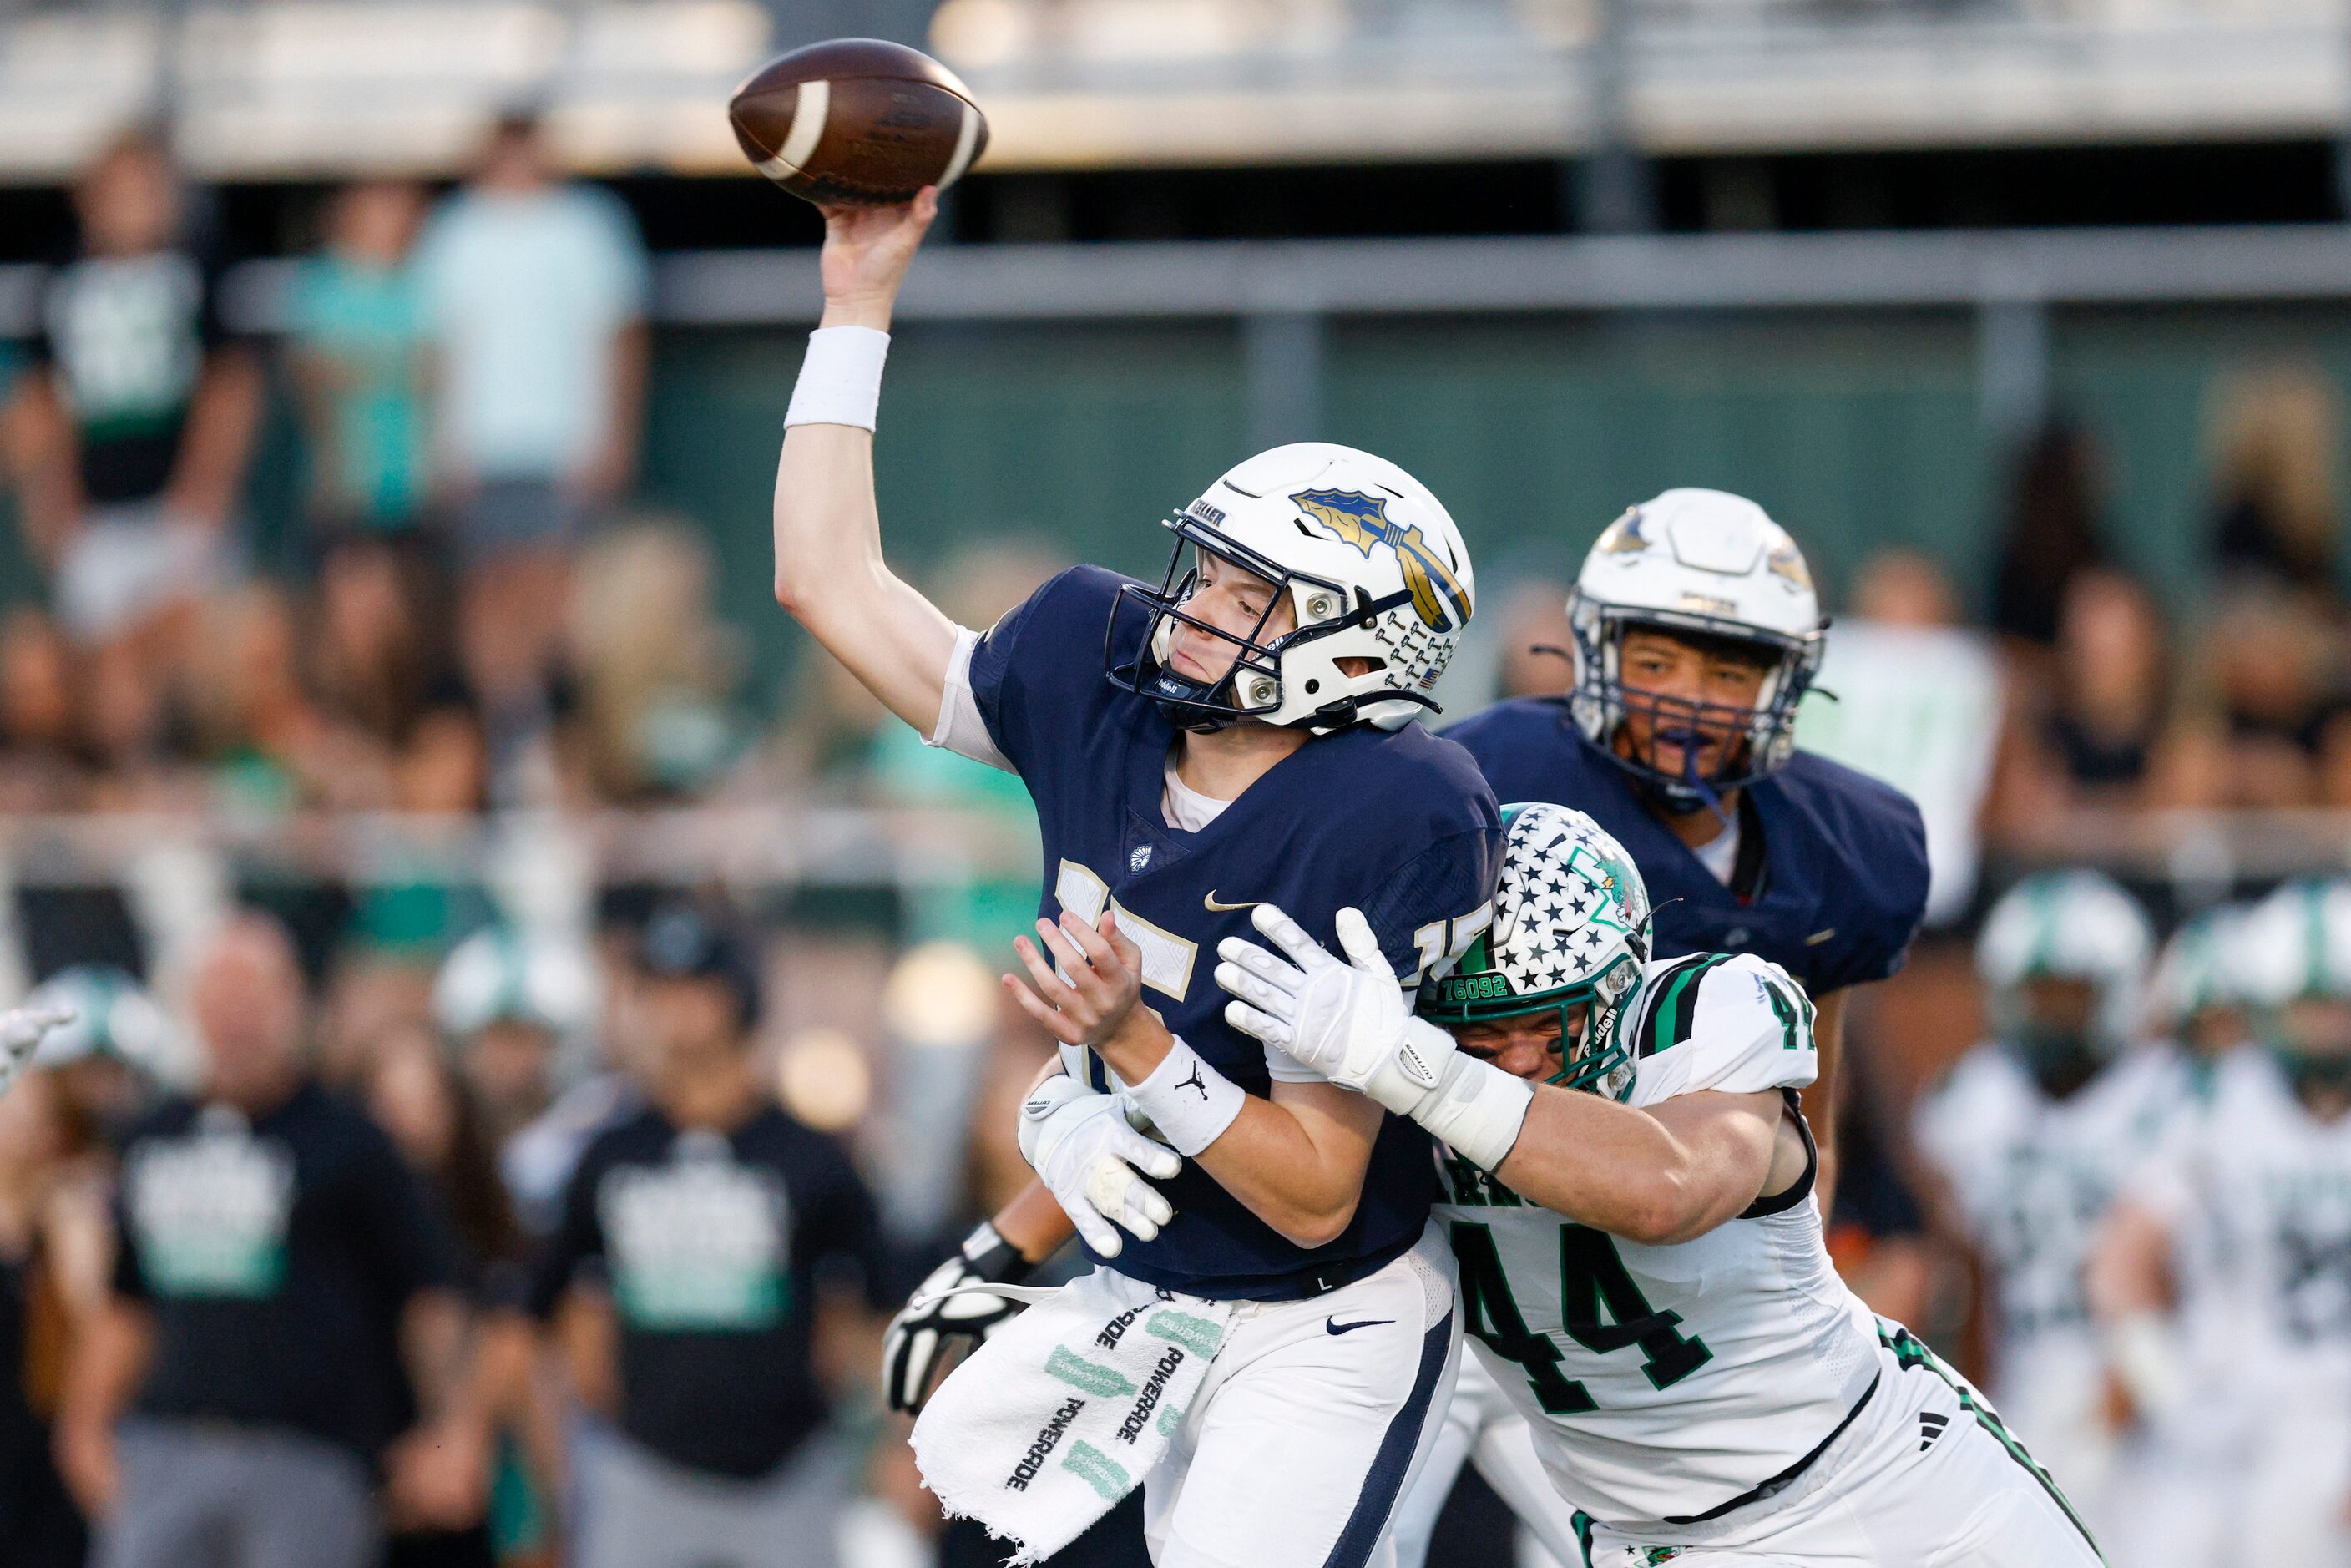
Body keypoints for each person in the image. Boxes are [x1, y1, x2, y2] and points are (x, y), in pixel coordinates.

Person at [784, 190, 1499, 1566]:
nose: (1196, 605)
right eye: (1211, 570)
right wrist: (855, 305)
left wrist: (1129, 1041)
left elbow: (1311, 1191)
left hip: (1325, 1314)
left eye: (1249, 595)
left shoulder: (1382, 815)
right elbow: (828, 582)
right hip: (1143, 1284)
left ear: (1356, 653)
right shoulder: (1100, 680)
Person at [1215, 803, 2101, 1566]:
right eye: (1483, 1034)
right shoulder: (1388, 1086)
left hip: (1887, 1485)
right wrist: (1127, 1100)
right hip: (1660, 1540)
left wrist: (1428, 1072)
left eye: (1548, 1024)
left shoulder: (1706, 1014)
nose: (1520, 1062)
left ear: (1616, 986)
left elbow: (1665, 1190)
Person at [1397, 490, 1929, 1565]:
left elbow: (1805, 1074)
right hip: (1452, 1257)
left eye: (1727, 670)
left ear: (1786, 679)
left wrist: (1801, 1244)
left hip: (1647, 1291)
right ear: (1595, 651)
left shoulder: (1846, 843)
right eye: (1659, 663)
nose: (1688, 700)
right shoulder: (1488, 779)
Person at [52, 914, 482, 1568]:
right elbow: (126, 1301)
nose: (236, 1021)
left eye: (252, 998)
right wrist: (84, 1426)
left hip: (307, 1455)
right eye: (219, 999)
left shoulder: (352, 1141)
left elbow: (428, 1295)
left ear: (293, 1005)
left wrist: (451, 1430)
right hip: (168, 1446)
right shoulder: (154, 1137)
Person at [522, 902, 888, 1568]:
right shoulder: (610, 1154)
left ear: (739, 998)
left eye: (696, 990)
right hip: (641, 1469)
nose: (676, 1011)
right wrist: (563, 1471)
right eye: (658, 992)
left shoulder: (809, 1155)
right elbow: (539, 1310)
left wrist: (897, 1447)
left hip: (789, 1471)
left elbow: (884, 1300)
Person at [2092, 878, 2351, 1568]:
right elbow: (2123, 1262)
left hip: (2333, 1421)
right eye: (2307, 1007)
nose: (2324, 1028)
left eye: (2337, 1008)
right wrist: (2164, 1386)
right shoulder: (2215, 1099)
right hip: (2214, 1419)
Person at [1910, 870, 2159, 1541]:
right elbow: (1968, 1269)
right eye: (2039, 995)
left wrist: (2146, 1377)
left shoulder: (2168, 1100)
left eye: (2072, 996)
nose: (2054, 1015)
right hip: (2021, 1369)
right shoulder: (1970, 1101)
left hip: (2147, 1380)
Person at [414, 109, 648, 792]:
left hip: (559, 443)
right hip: (482, 447)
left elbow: (619, 335)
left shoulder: (587, 227)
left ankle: (545, 737)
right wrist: (442, 442)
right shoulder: (454, 233)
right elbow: (440, 348)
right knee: (488, 595)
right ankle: (507, 736)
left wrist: (612, 435)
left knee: (551, 591)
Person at [11, 126, 260, 649]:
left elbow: (230, 385)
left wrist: (203, 494)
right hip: (96, 515)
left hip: (178, 509)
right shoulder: (59, 278)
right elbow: (38, 401)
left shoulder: (199, 268)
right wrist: (53, 506)